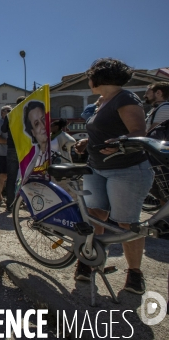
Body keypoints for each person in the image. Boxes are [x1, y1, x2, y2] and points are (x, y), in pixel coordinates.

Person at [74, 58, 153, 295]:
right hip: (96, 167)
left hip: (125, 170)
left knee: (127, 224)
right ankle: (89, 261)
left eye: (89, 76)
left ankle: (135, 275)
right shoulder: (103, 102)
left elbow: (139, 132)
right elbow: (107, 130)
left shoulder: (125, 98)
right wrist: (88, 142)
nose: (88, 80)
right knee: (95, 216)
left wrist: (120, 145)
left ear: (98, 77)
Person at [1, 96, 26, 212]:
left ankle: (10, 205)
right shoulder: (30, 113)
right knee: (27, 175)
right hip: (26, 148)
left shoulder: (11, 114)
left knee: (11, 177)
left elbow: (3, 129)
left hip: (12, 148)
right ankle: (26, 203)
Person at [0, 106, 12, 207]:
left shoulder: (11, 123)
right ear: (2, 113)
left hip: (8, 153)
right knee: (3, 175)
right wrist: (12, 143)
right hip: (1, 153)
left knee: (0, 174)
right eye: (8, 111)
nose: (10, 112)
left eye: (11, 111)